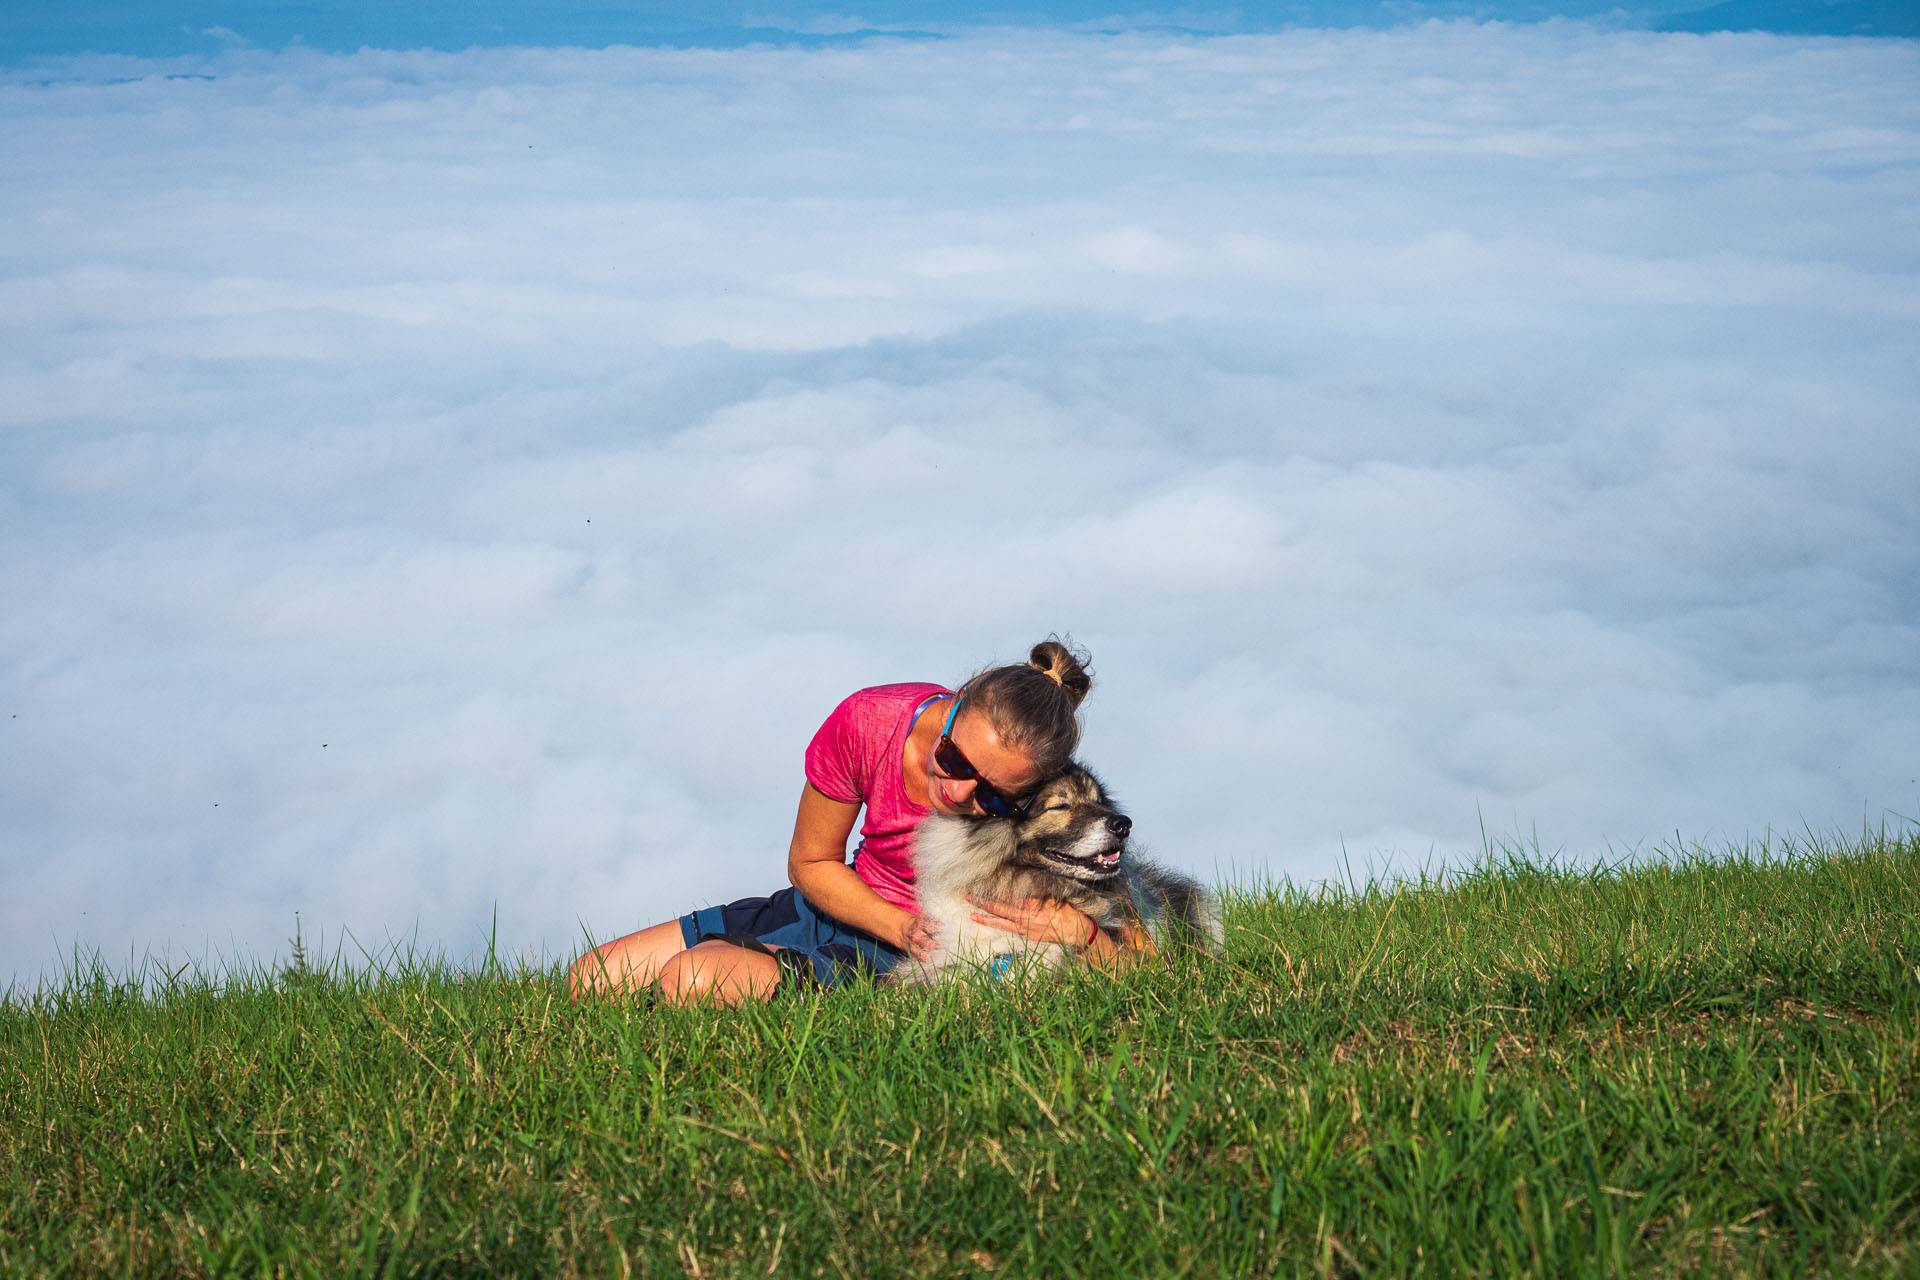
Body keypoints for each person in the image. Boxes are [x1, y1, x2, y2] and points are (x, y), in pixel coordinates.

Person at [569, 639, 1124, 1005]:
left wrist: (1081, 933)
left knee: (692, 980)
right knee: (588, 984)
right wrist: (894, 921)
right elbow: (810, 861)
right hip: (836, 904)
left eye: (993, 797)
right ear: (955, 706)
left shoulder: (1054, 796)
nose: (957, 792)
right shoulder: (869, 721)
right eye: (953, 760)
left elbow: (1144, 958)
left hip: (912, 956)